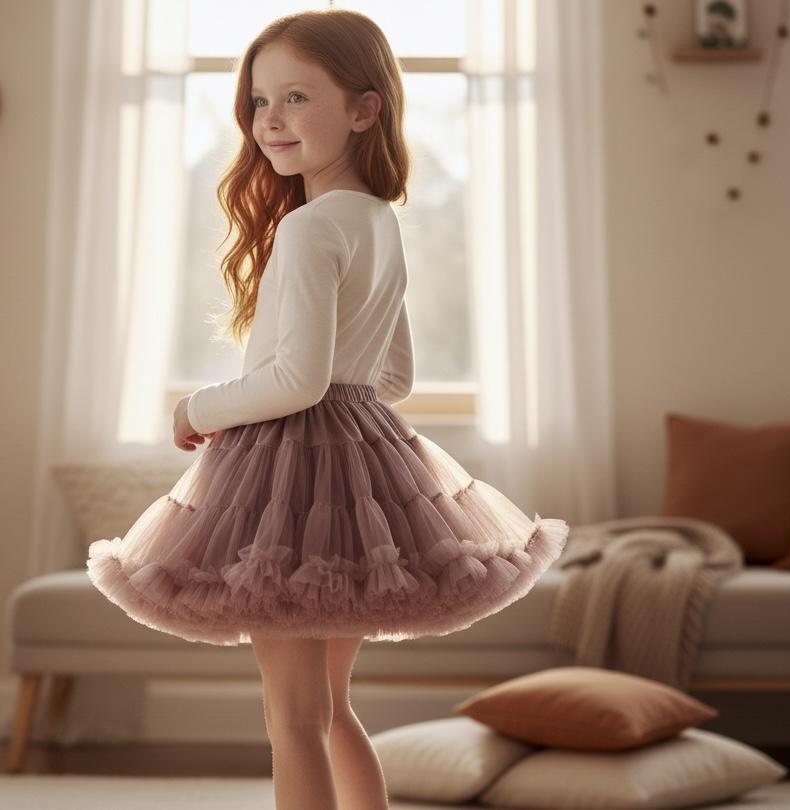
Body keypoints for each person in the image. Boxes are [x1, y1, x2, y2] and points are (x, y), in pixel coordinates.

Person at [86, 9, 570, 810]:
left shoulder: (312, 229)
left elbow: (299, 382)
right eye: (258, 101)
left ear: (364, 108)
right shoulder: (380, 222)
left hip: (283, 484)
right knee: (332, 708)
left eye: (296, 98)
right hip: (356, 480)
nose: (269, 120)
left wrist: (198, 407)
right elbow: (398, 376)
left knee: (293, 719)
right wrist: (347, 436)